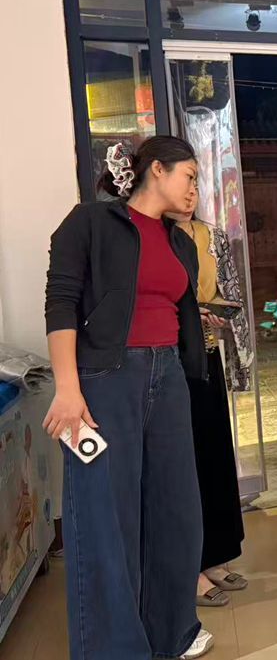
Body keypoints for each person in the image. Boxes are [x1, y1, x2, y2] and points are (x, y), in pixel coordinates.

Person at [43, 137, 214, 658]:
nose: (195, 190)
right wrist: (68, 388)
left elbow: (170, 303)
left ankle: (169, 633)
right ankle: (113, 649)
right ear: (157, 169)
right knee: (106, 517)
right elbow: (61, 302)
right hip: (105, 378)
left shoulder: (180, 241)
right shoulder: (91, 222)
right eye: (189, 177)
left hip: (168, 377)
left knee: (175, 511)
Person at [165, 194, 248, 608]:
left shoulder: (210, 235)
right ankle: (189, 568)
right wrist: (187, 314)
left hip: (209, 353)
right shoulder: (152, 237)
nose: (189, 193)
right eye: (184, 181)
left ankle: (215, 556)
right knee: (185, 464)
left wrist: (222, 313)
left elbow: (229, 289)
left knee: (215, 457)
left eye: (194, 183)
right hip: (171, 360)